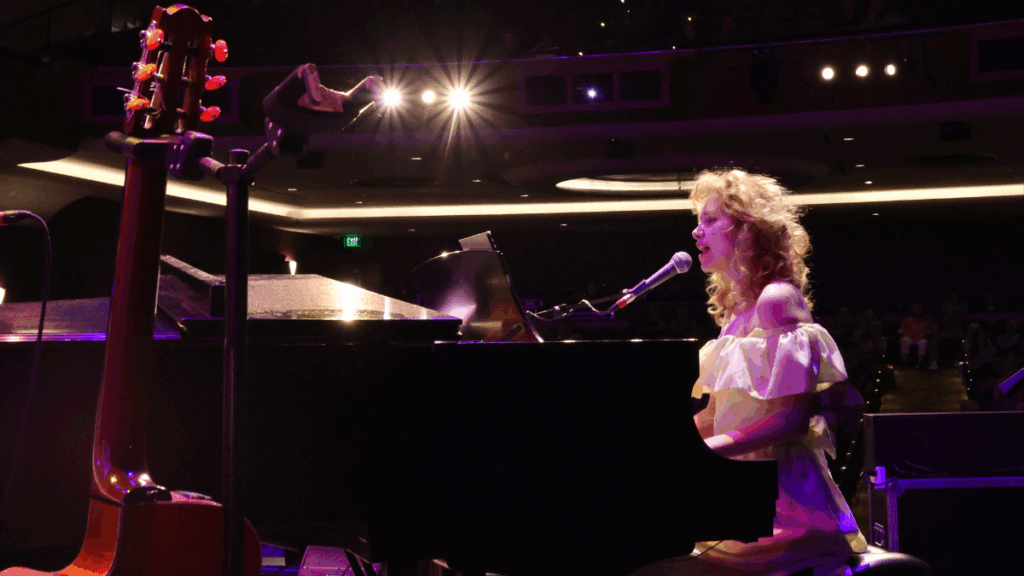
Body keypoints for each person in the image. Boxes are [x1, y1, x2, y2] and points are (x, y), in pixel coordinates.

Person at [632, 169, 866, 576]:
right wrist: (660, 447)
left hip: (784, 506)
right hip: (742, 492)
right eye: (698, 221)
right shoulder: (736, 313)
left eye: (710, 220)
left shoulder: (777, 299)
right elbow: (715, 416)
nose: (696, 232)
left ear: (747, 229)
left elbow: (789, 420)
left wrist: (700, 454)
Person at [898, 303, 931, 367]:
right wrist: (904, 334)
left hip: (920, 338)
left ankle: (920, 363)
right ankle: (904, 362)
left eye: (917, 310)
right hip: (909, 337)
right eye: (914, 309)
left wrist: (926, 333)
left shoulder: (924, 320)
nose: (916, 311)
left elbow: (928, 330)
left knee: (924, 342)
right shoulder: (907, 319)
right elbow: (900, 330)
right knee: (904, 340)